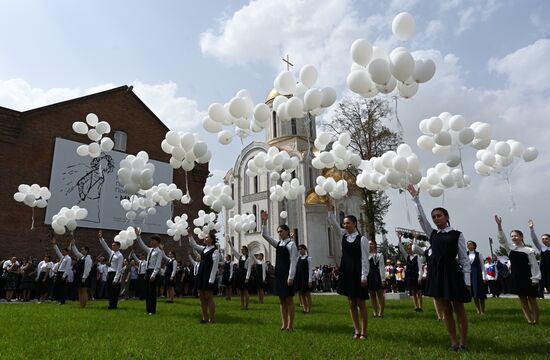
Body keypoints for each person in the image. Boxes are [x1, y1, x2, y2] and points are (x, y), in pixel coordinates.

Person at [407, 185, 470, 352]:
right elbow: (422, 220)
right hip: (438, 275)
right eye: (434, 217)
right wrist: (416, 200)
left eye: (439, 216)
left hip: (453, 273)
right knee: (446, 310)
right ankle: (454, 342)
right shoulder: (433, 234)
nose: (436, 219)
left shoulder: (457, 234)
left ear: (446, 217)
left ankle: (463, 342)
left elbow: (464, 259)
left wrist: (467, 280)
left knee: (459, 309)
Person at [326, 200, 369, 340]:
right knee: (351, 302)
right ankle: (356, 330)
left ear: (354, 224)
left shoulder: (362, 239)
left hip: (357, 271)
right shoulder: (343, 236)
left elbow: (364, 258)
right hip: (347, 270)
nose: (345, 225)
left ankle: (364, 331)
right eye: (344, 223)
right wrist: (329, 210)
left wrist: (364, 275)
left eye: (348, 223)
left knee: (361, 302)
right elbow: (333, 224)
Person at [495, 215, 540, 324]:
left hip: (529, 277)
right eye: (512, 236)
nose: (513, 237)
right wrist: (499, 226)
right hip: (517, 277)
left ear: (521, 237)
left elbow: (534, 265)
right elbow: (502, 239)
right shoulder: (510, 248)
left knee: (532, 300)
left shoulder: (529, 250)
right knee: (523, 300)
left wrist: (535, 278)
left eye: (516, 235)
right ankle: (529, 320)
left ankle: (536, 320)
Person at [261, 210, 298, 331]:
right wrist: (264, 222)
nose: (279, 233)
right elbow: (265, 236)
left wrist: (291, 277)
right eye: (278, 232)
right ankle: (284, 324)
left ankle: (290, 325)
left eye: (281, 231)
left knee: (288, 300)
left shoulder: (291, 245)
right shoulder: (278, 244)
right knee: (281, 300)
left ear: (287, 231)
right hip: (279, 274)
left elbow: (293, 261)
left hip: (287, 274)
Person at [188, 230, 220, 323]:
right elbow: (194, 245)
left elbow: (215, 266)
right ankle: (204, 317)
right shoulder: (204, 249)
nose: (205, 238)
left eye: (207, 237)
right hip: (201, 274)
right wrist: (190, 235)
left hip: (208, 275)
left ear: (212, 240)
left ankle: (212, 318)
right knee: (201, 297)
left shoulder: (215, 251)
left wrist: (211, 279)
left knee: (208, 297)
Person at [135, 228, 163, 315]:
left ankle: (152, 310)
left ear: (157, 242)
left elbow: (158, 265)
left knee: (152, 292)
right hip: (147, 272)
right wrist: (138, 236)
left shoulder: (159, 252)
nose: (151, 242)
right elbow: (142, 245)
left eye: (153, 240)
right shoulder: (150, 250)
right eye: (151, 240)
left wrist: (153, 275)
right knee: (147, 291)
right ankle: (148, 310)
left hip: (153, 272)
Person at [398, 232, 424, 312]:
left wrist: (420, 277)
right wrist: (399, 239)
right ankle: (416, 307)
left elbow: (420, 268)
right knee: (413, 292)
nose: (409, 250)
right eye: (408, 249)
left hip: (416, 276)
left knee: (419, 292)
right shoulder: (407, 257)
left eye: (410, 248)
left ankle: (420, 307)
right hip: (410, 276)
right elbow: (401, 249)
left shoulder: (418, 257)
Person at [98, 230, 123, 310]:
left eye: (114, 245)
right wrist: (101, 238)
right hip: (110, 273)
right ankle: (110, 304)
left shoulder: (120, 255)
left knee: (114, 291)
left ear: (118, 246)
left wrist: (116, 279)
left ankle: (114, 305)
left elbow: (119, 268)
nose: (112, 247)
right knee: (109, 290)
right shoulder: (112, 253)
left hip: (115, 274)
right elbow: (105, 246)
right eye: (112, 245)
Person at [228, 238, 253, 310]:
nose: (241, 250)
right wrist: (230, 244)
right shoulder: (240, 257)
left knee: (245, 291)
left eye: (242, 249)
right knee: (241, 292)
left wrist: (247, 277)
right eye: (241, 249)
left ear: (246, 250)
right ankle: (242, 305)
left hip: (244, 275)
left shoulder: (248, 258)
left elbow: (248, 269)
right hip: (239, 275)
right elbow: (234, 252)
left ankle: (246, 306)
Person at [528, 219, 550, 296]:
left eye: (546, 239)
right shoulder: (541, 248)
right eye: (543, 239)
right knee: (541, 283)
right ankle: (541, 297)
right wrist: (531, 228)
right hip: (543, 269)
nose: (544, 240)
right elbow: (534, 240)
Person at [69, 238, 93, 308]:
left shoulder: (88, 258)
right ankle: (81, 304)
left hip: (84, 276)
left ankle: (84, 305)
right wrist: (73, 245)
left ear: (86, 251)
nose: (81, 250)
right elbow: (76, 252)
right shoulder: (82, 257)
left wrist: (84, 277)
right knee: (79, 290)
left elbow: (87, 269)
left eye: (83, 249)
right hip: (79, 275)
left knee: (84, 290)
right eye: (81, 249)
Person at [467, 241, 487, 314]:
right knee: (474, 294)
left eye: (470, 244)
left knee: (480, 294)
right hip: (470, 276)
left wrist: (484, 277)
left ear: (474, 246)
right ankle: (478, 310)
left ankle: (483, 310)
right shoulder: (465, 255)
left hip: (478, 275)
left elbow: (482, 266)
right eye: (467, 244)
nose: (468, 245)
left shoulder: (479, 254)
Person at [367, 240, 386, 317]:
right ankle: (375, 312)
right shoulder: (366, 255)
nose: (369, 245)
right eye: (368, 244)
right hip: (370, 276)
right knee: (372, 295)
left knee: (380, 295)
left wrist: (383, 279)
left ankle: (381, 313)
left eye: (371, 244)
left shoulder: (379, 255)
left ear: (375, 245)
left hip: (377, 275)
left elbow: (382, 267)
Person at [52, 239, 72, 305]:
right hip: (59, 272)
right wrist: (55, 244)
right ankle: (59, 299)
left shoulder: (68, 258)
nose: (62, 252)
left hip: (63, 273)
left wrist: (64, 276)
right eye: (62, 251)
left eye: (63, 251)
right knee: (58, 287)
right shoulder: (63, 257)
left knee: (62, 288)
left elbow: (67, 268)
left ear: (67, 252)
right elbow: (58, 252)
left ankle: (62, 301)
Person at [294, 245, 313, 313]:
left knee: (307, 294)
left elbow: (310, 269)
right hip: (299, 277)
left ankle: (309, 309)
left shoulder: (308, 258)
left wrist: (310, 280)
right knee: (301, 294)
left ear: (305, 249)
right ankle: (304, 308)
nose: (300, 251)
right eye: (299, 249)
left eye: (301, 249)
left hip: (305, 277)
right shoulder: (298, 258)